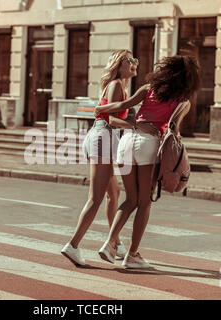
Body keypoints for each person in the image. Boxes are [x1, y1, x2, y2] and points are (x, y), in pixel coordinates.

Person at [95, 55, 201, 268]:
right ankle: (132, 254)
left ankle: (109, 243)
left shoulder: (148, 88)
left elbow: (124, 105)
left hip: (127, 141)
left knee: (129, 199)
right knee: (144, 202)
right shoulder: (183, 101)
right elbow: (174, 131)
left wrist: (100, 109)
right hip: (149, 144)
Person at [61, 50, 158, 266]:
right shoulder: (115, 85)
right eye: (129, 60)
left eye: (135, 60)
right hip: (103, 136)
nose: (134, 63)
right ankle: (73, 245)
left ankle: (116, 242)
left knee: (113, 194)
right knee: (95, 198)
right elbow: (112, 120)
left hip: (104, 137)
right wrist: (136, 125)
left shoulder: (120, 87)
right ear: (118, 65)